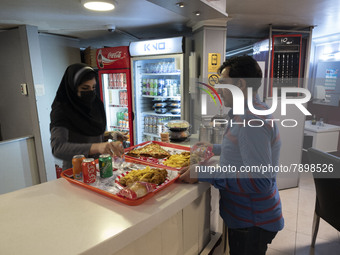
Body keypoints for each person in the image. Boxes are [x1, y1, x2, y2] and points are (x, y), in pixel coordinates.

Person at [180, 56, 284, 255]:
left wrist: (202, 174)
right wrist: (215, 148)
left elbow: (259, 181)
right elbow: (243, 148)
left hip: (252, 221)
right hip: (249, 217)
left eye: (222, 83)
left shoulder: (251, 121)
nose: (218, 90)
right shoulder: (247, 112)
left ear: (240, 84)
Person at [50, 63, 125, 170]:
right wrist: (98, 147)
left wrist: (110, 135)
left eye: (93, 88)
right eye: (85, 88)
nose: (90, 92)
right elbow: (58, 148)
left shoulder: (95, 105)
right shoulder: (62, 111)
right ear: (72, 88)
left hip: (99, 167)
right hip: (77, 171)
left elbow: (88, 134)